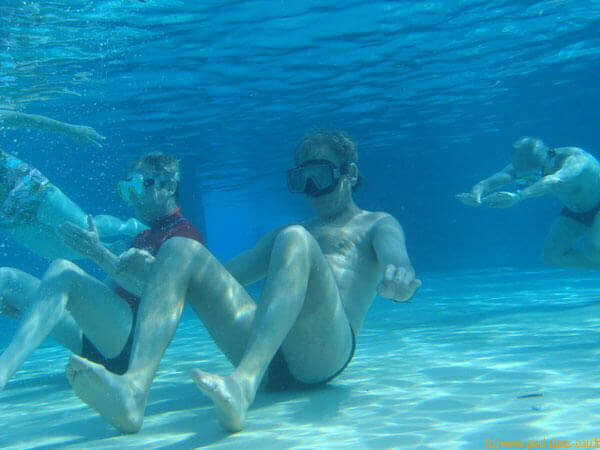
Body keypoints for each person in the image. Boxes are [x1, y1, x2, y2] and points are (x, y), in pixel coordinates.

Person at [65, 130, 421, 434]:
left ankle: (243, 384)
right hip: (268, 352)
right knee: (180, 248)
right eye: (302, 180)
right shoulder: (289, 235)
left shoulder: (377, 223)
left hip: (324, 354)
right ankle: (133, 390)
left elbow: (398, 263)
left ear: (350, 173)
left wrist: (400, 282)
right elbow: (217, 276)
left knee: (294, 237)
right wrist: (158, 273)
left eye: (320, 176)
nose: (312, 190)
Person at [0, 152, 203, 392]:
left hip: (133, 349)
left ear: (169, 186)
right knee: (6, 278)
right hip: (98, 338)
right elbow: (110, 290)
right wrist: (44, 305)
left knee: (63, 268)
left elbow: (163, 301)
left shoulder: (185, 237)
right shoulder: (142, 237)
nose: (132, 198)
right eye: (125, 189)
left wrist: (98, 253)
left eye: (137, 186)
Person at [1, 109, 146, 260]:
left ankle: (134, 228)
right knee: (58, 253)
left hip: (27, 187)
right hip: (6, 214)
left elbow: (26, 119)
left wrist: (71, 129)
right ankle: (113, 251)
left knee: (84, 226)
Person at [456, 137, 600, 270]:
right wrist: (476, 196)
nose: (530, 173)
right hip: (576, 210)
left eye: (533, 167)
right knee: (552, 256)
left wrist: (519, 196)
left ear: (546, 154)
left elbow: (553, 181)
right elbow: (491, 181)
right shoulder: (528, 164)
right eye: (522, 167)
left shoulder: (575, 159)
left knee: (593, 249)